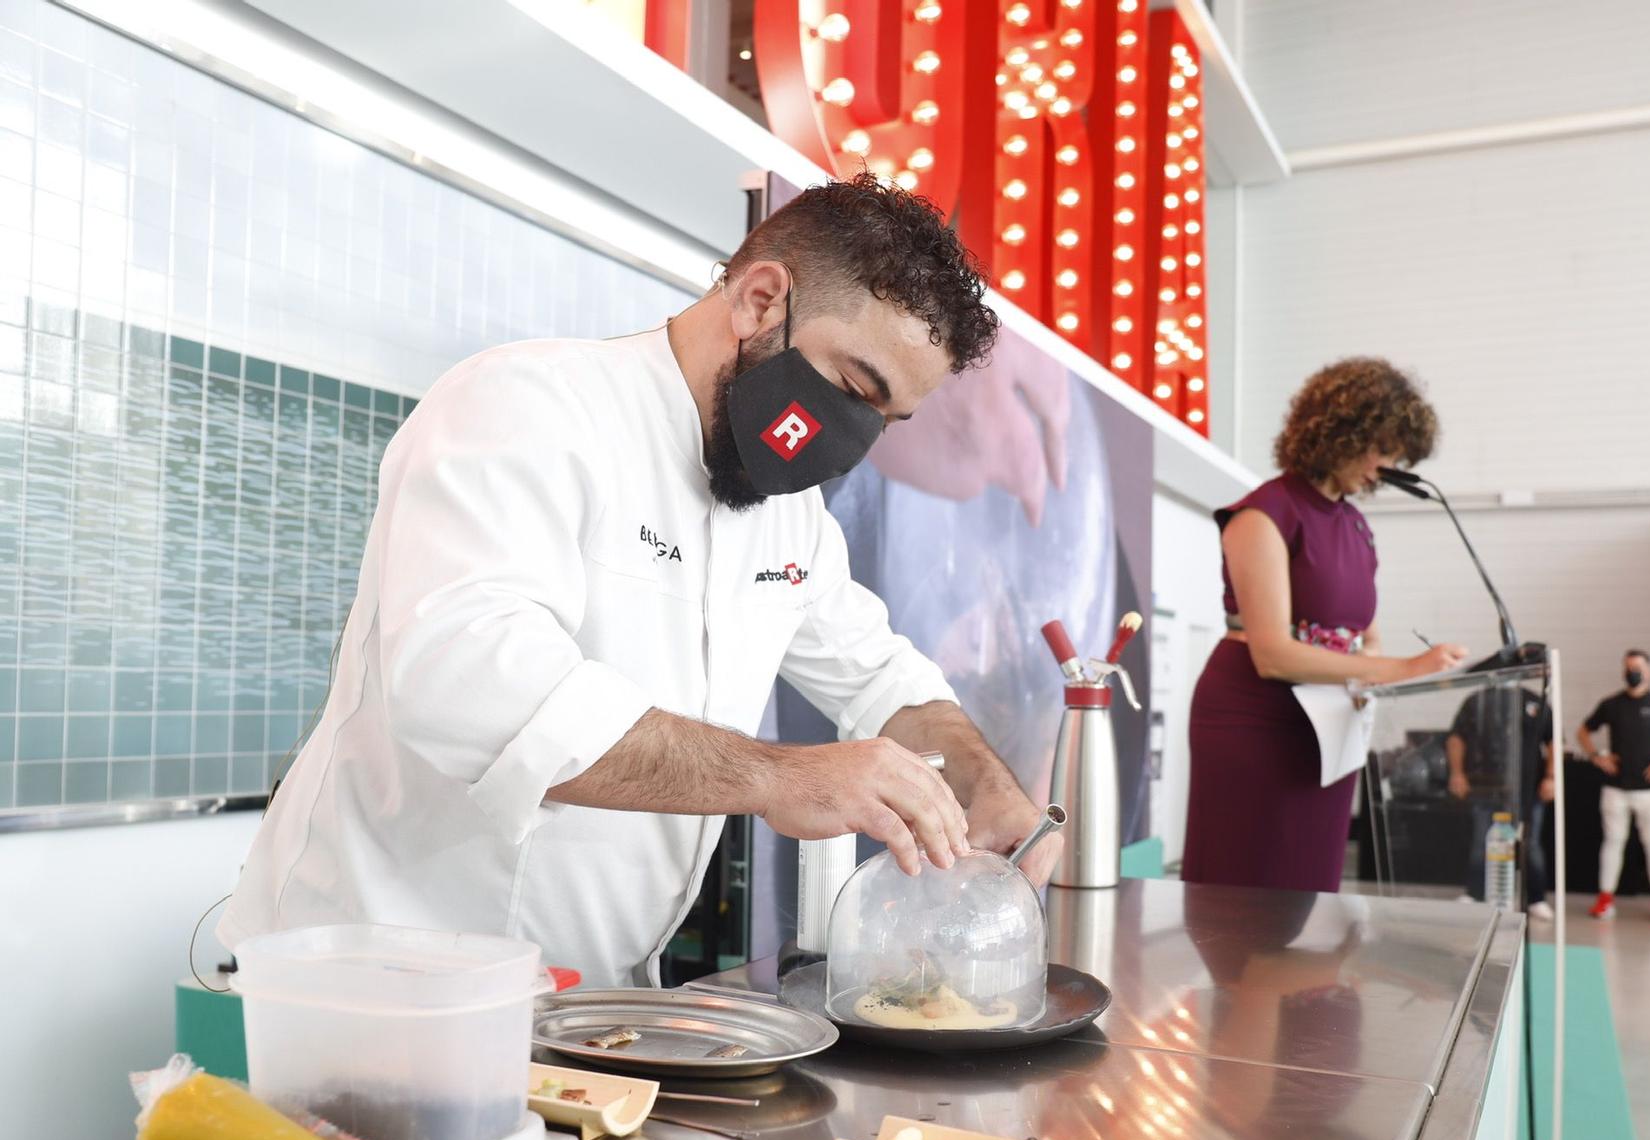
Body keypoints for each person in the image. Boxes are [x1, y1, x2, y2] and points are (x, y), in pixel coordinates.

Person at [220, 176, 1058, 986]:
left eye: (885, 419)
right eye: (851, 388)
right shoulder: (528, 407)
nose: (853, 438)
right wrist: (785, 777)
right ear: (761, 299)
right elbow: (464, 684)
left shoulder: (789, 518)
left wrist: (985, 788)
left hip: (592, 1003)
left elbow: (883, 680)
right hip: (383, 984)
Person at [1182, 359, 1468, 894]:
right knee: (1248, 888)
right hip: (1256, 722)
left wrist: (1371, 676)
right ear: (1343, 431)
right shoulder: (1264, 514)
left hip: (1329, 729)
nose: (1386, 467)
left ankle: (1295, 983)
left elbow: (1366, 634)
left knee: (1308, 886)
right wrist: (1401, 668)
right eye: (1381, 448)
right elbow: (1273, 654)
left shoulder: (1356, 526)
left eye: (1397, 455)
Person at [1577, 649, 1650, 923]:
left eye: (1638, 667)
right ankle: (1605, 899)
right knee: (1613, 843)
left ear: (1649, 671)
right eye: (1629, 667)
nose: (1633, 672)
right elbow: (1584, 731)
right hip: (1616, 788)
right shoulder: (1611, 705)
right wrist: (1597, 757)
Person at [1447, 685, 1556, 921]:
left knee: (1531, 844)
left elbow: (1554, 740)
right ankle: (1475, 894)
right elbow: (1456, 738)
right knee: (1480, 841)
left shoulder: (1534, 701)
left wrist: (1551, 777)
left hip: (1527, 789)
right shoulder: (1477, 700)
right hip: (1485, 786)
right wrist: (1457, 773)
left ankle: (1536, 898)